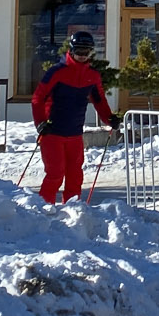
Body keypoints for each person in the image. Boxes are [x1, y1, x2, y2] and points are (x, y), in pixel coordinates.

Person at [30, 31, 117, 204]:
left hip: (75, 134)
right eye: (79, 51)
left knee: (75, 175)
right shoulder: (56, 72)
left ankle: (74, 211)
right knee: (55, 173)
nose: (82, 56)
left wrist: (110, 119)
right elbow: (37, 99)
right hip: (52, 133)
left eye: (86, 52)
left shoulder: (92, 75)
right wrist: (40, 123)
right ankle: (42, 210)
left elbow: (99, 100)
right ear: (71, 50)